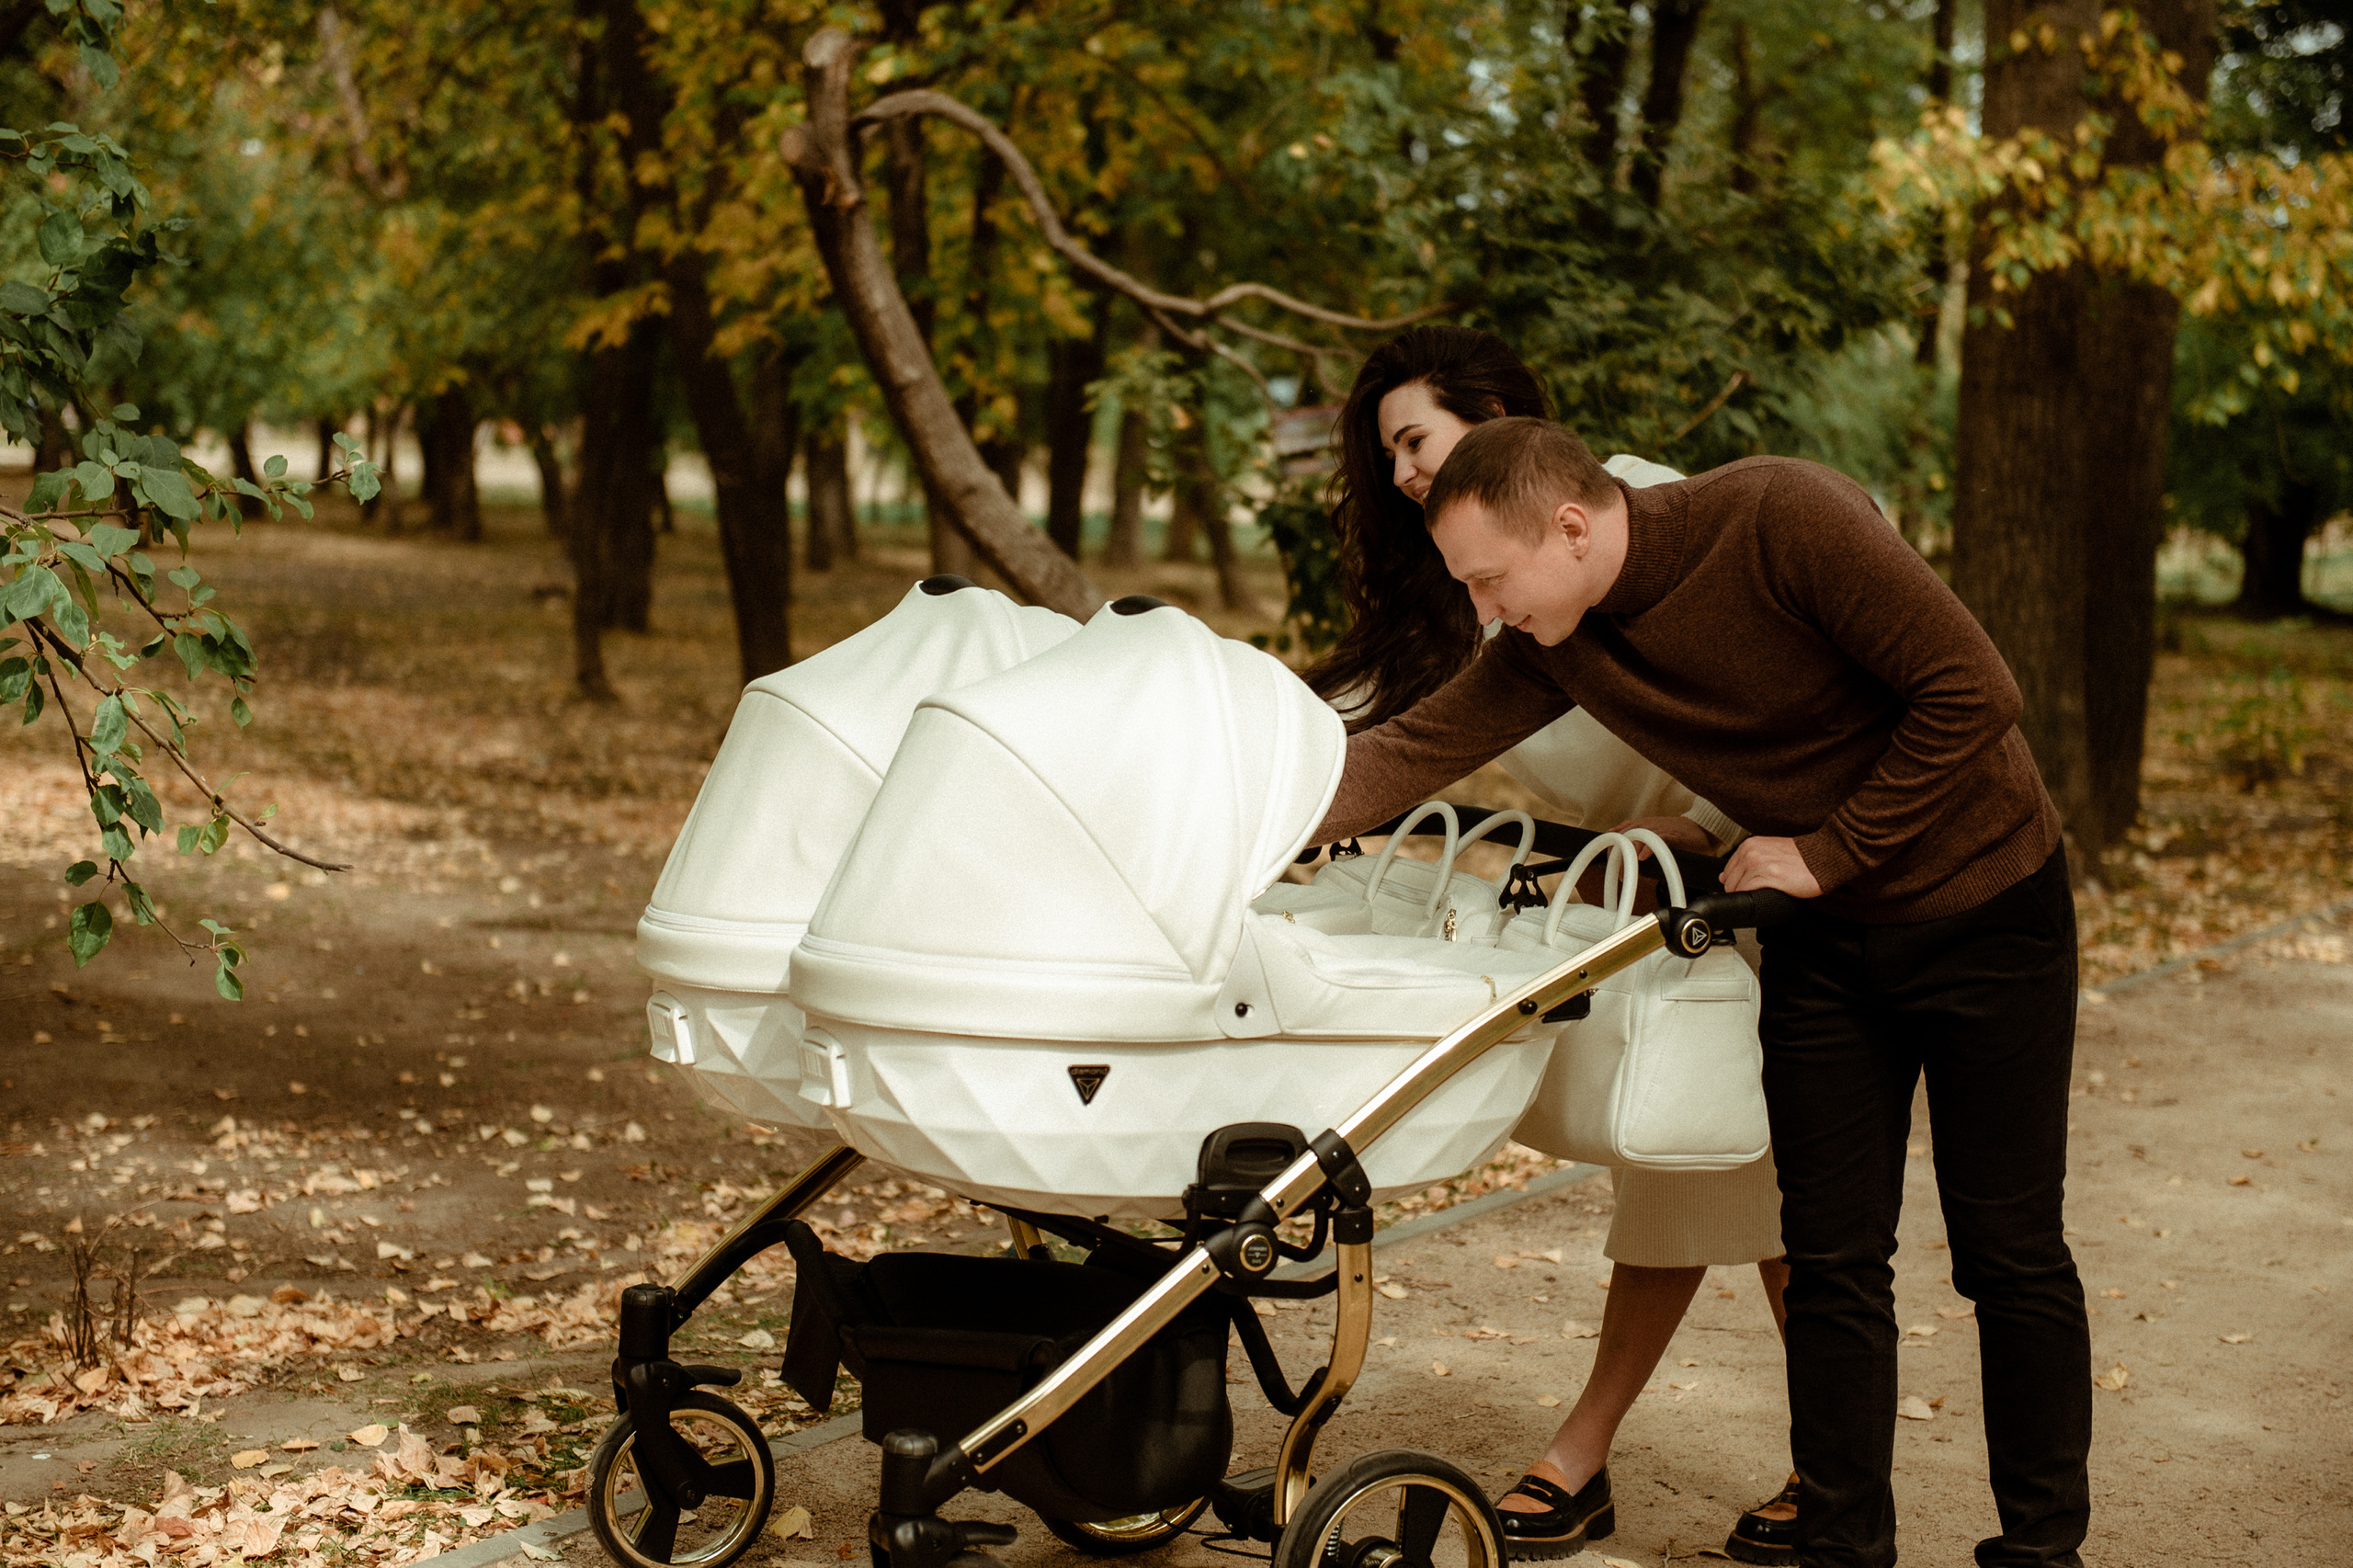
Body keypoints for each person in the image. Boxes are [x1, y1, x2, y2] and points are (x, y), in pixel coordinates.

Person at [1316, 415, 2087, 1568]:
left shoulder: (1785, 517)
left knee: (2006, 1249)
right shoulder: (1555, 637)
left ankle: (2039, 1550)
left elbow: (1976, 692)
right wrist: (1247, 830)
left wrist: (1828, 849)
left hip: (1988, 911)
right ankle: (1841, 1550)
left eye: (1489, 578)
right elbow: (1410, 750)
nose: (1483, 609)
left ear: (1569, 527)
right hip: (1828, 945)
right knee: (1830, 1257)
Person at [1306, 326, 1802, 1565]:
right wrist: (1273, 793)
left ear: (1495, 411)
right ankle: (1611, 1462)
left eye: (1417, 439)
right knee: (1700, 1169)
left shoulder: (1618, 516)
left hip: (1764, 884)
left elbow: (1773, 693)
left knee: (1761, 1187)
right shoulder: (1478, 594)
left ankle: (1722, 1460)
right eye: (1393, 460)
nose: (1408, 473)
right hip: (1645, 915)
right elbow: (1421, 743)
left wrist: (1716, 822)